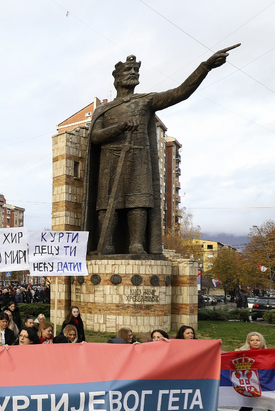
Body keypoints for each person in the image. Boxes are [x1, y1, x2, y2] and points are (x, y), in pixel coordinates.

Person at [84, 46, 236, 255]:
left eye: (136, 72)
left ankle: (137, 244)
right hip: (110, 158)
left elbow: (180, 92)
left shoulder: (146, 100)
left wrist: (205, 67)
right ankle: (106, 245)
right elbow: (95, 137)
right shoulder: (103, 109)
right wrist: (120, 127)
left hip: (138, 156)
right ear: (116, 78)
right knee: (106, 204)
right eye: (128, 71)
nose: (133, 74)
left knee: (138, 201)